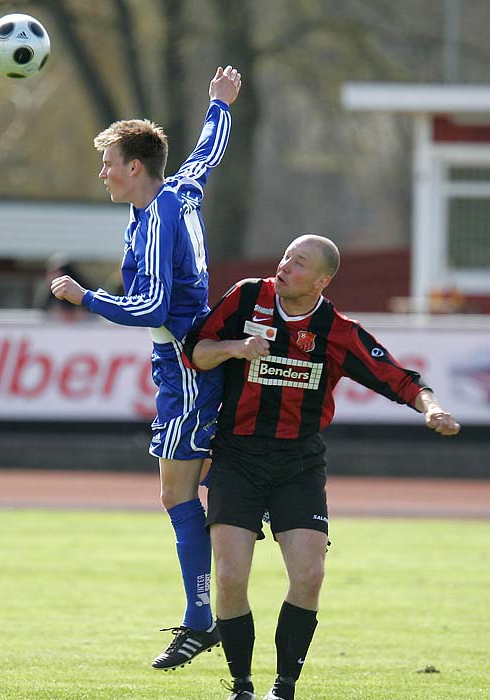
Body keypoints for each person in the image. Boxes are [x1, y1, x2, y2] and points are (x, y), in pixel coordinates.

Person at [183, 234, 460, 700]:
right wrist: (234, 348)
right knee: (230, 577)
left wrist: (430, 407)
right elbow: (197, 351)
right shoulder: (248, 295)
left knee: (309, 575)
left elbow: (397, 377)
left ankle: (284, 686)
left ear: (322, 280)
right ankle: (242, 686)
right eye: (287, 256)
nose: (285, 265)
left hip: (298, 461)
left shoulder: (337, 330)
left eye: (299, 262)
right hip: (237, 455)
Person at [50, 65, 242, 669]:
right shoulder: (178, 189)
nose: (103, 172)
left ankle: (202, 617)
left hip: (186, 365)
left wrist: (87, 299)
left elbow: (151, 305)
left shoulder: (157, 217)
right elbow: (205, 156)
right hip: (188, 360)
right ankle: (209, 607)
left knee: (176, 491)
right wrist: (220, 105)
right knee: (195, 486)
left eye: (109, 162)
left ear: (135, 167)